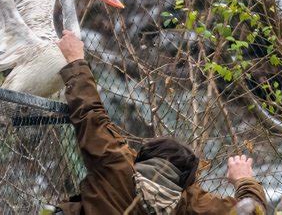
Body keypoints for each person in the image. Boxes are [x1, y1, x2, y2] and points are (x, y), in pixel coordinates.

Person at [54, 30, 266, 215]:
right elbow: (250, 211)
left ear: (142, 158)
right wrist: (243, 179)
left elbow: (90, 113)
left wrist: (76, 60)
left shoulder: (117, 164)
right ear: (185, 182)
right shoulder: (189, 204)